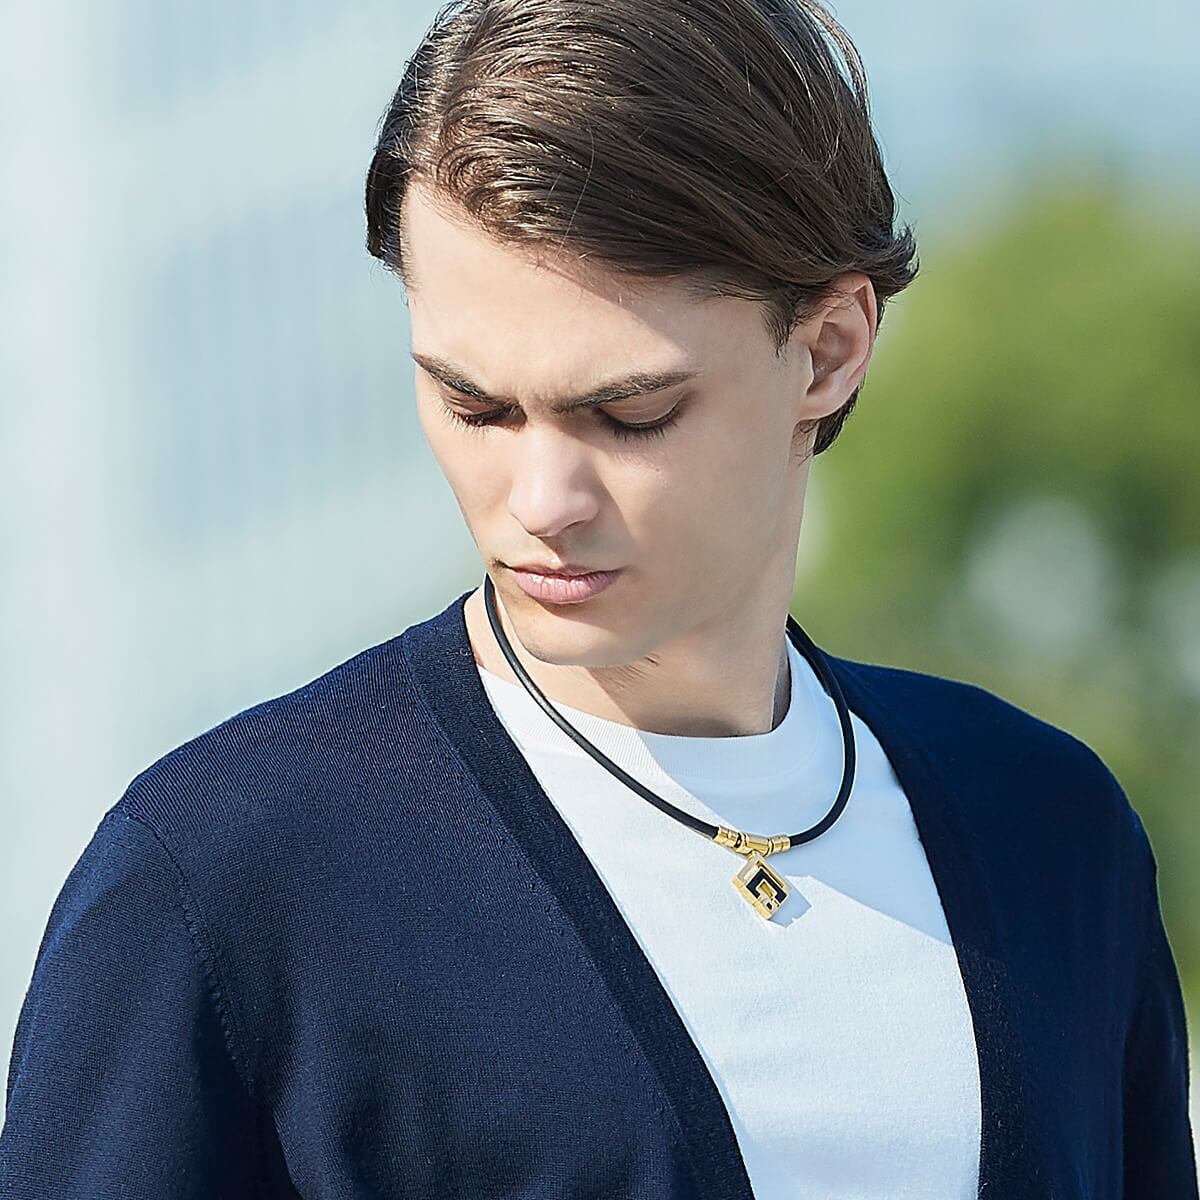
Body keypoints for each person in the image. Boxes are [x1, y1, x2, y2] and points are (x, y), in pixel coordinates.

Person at [2, 0, 1196, 1196]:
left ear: (829, 350)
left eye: (628, 414)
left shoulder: (1050, 834)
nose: (540, 501)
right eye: (474, 406)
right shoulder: (225, 883)